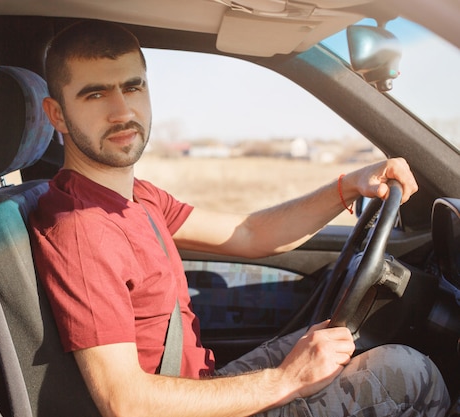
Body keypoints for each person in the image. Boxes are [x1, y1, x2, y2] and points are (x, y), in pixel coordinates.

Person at [29, 19, 449, 417]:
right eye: (95, 94)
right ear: (57, 114)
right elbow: (127, 404)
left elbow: (249, 233)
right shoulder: (81, 226)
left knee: (350, 345)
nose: (122, 111)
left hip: (198, 386)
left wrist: (348, 186)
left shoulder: (134, 196)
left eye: (132, 86)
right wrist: (286, 380)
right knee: (409, 374)